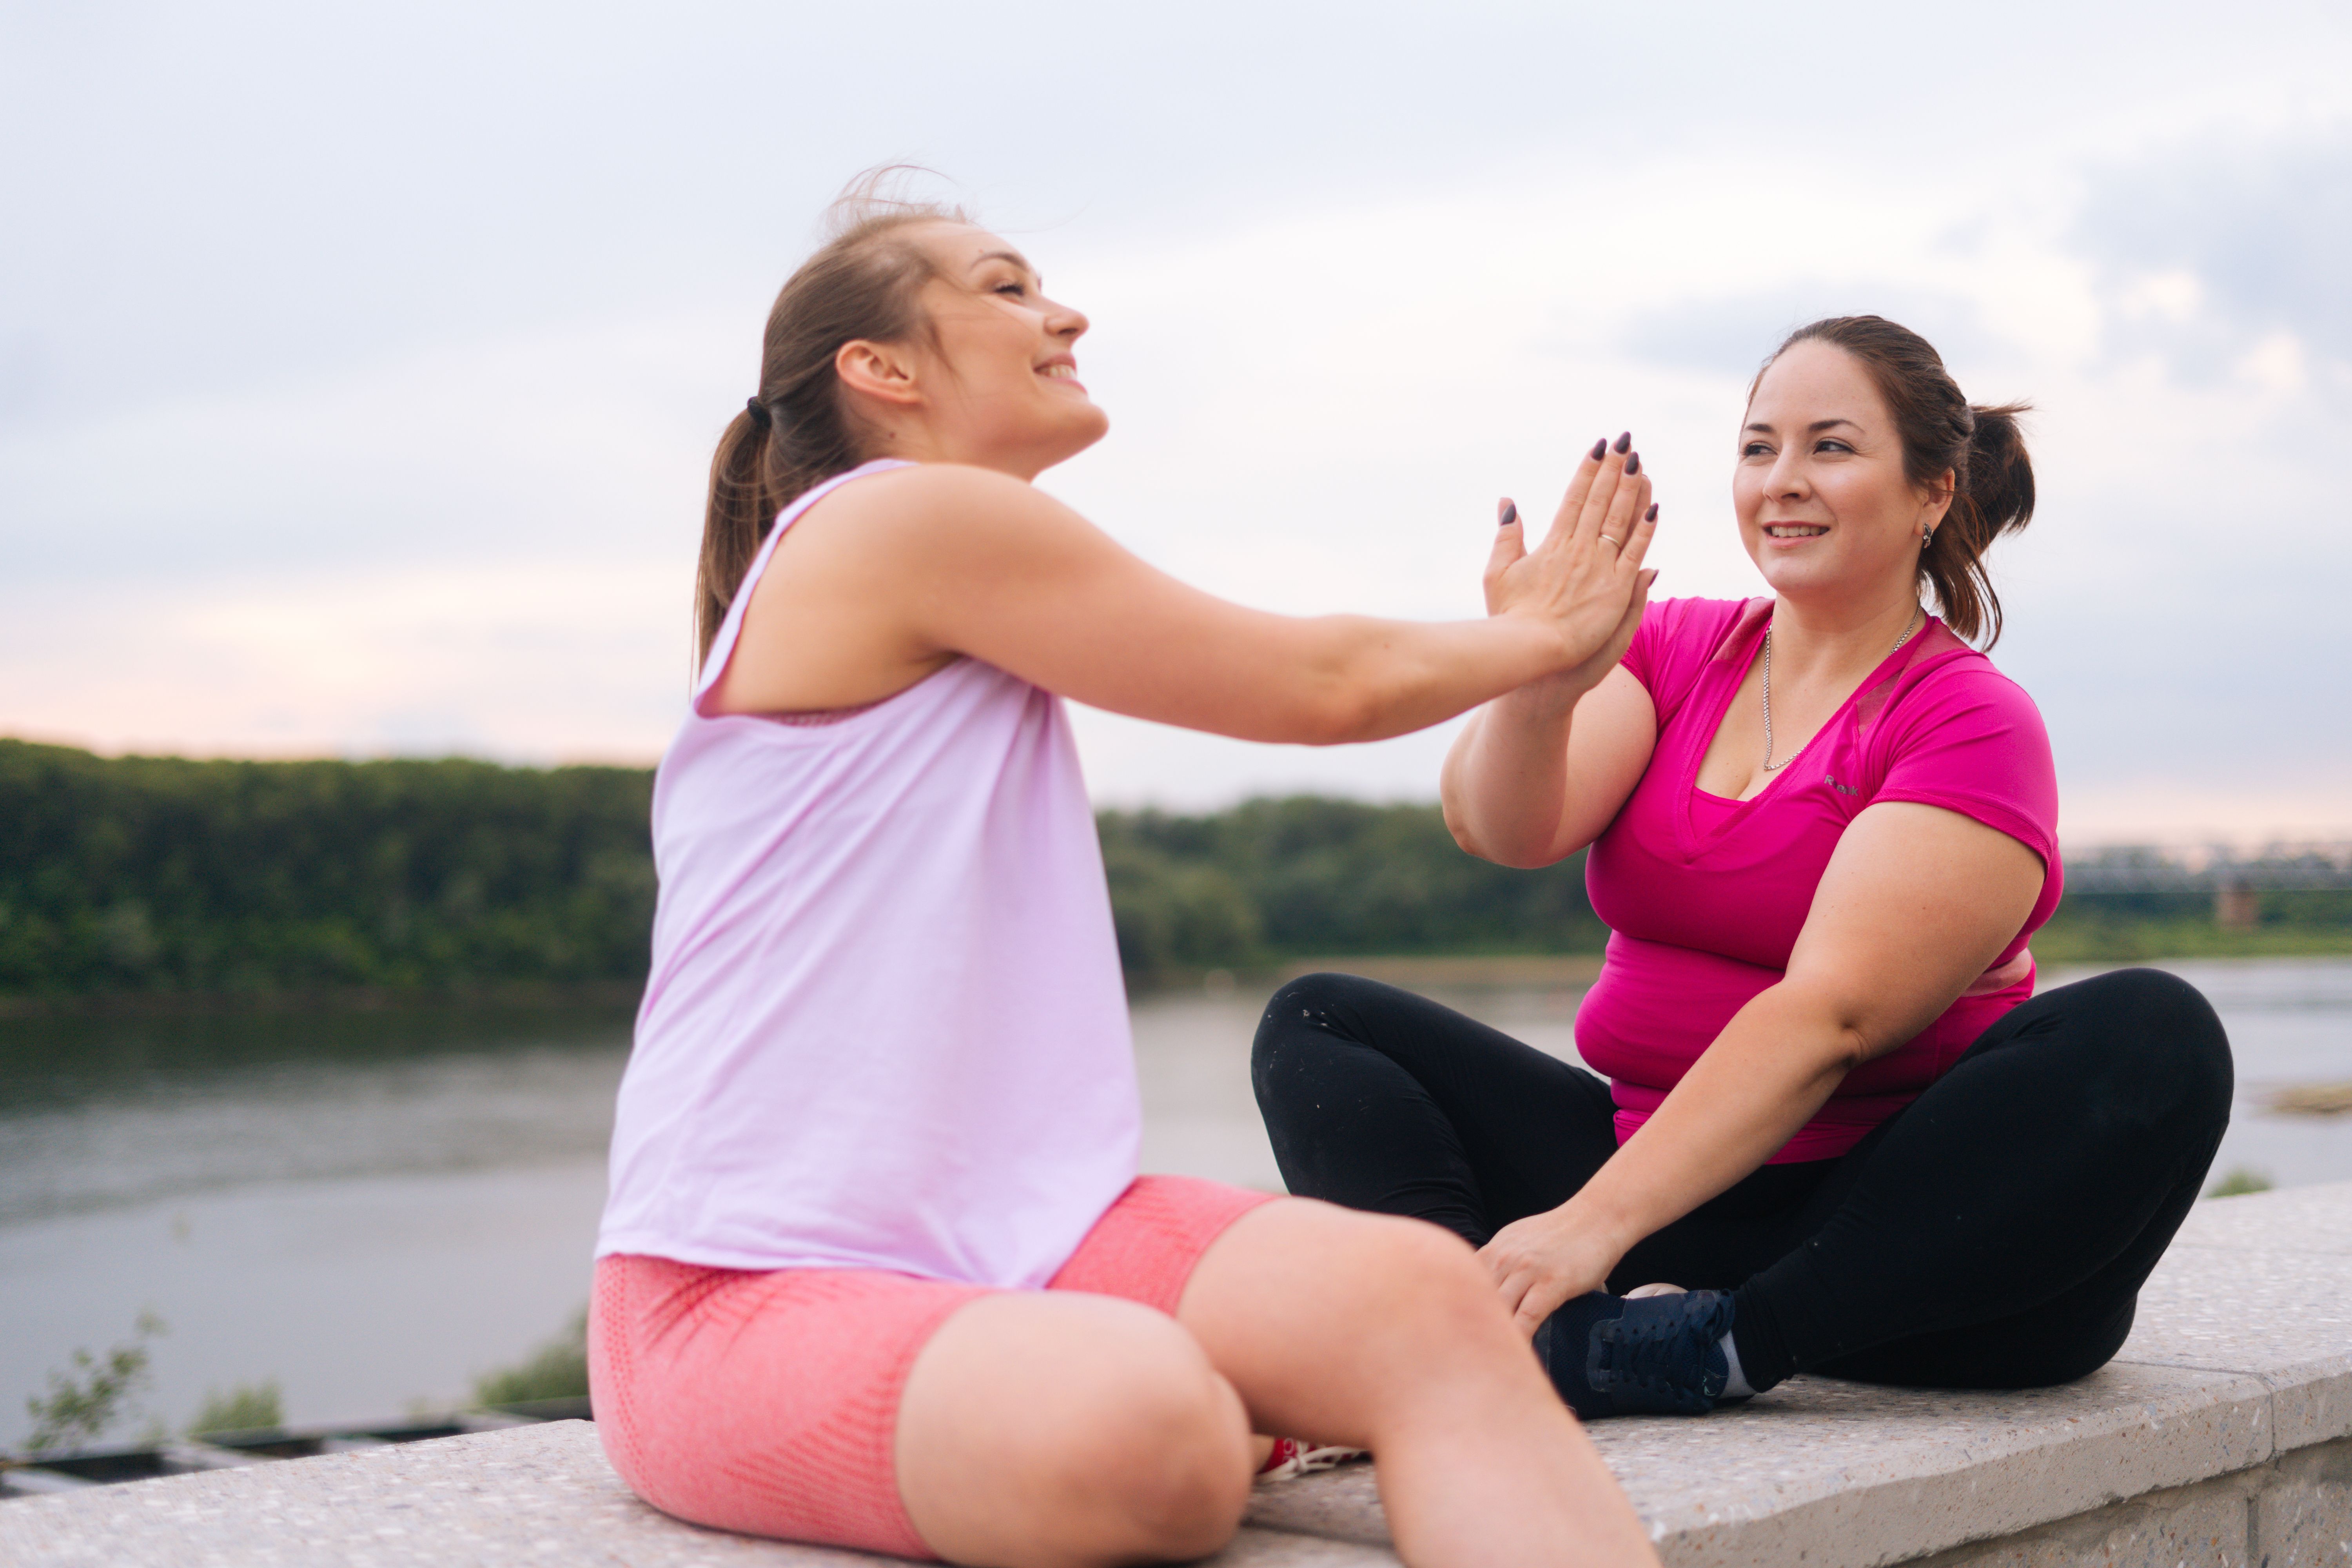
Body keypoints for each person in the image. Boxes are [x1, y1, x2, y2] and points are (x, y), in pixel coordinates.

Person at [587, 174, 1663, 1568]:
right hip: (737, 1294)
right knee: (1152, 1433)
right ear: (881, 370)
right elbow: (1322, 680)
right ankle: (1214, 1410)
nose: (1065, 312)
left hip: (1031, 1240)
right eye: (1008, 287)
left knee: (1423, 1296)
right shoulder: (892, 520)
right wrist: (1544, 639)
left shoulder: (933, 559)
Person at [1252, 316, 2233, 1420]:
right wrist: (1539, 668)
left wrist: (1590, 1227)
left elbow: (1831, 1018)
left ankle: (1714, 1344)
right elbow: (1505, 827)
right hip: (1654, 1188)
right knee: (1320, 1022)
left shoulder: (1968, 719)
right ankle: (1469, 1330)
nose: (1783, 481)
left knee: (2156, 1031)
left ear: (1933, 493)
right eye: (1759, 446)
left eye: (1831, 447)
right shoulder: (1676, 648)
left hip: (1896, 1251)